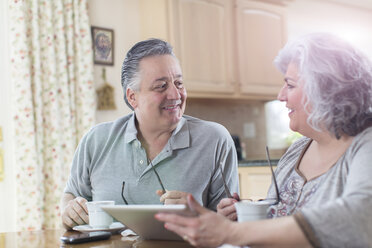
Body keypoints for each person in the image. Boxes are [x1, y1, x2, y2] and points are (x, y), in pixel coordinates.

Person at [155, 33, 372, 247]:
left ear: (326, 91)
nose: (280, 95)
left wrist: (233, 232)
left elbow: (359, 218)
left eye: (290, 84)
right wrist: (239, 217)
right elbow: (280, 221)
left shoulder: (366, 144)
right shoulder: (298, 149)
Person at [60, 38, 239, 230]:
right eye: (161, 86)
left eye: (178, 83)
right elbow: (72, 194)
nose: (176, 95)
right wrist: (69, 211)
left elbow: (228, 225)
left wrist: (201, 215)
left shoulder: (215, 139)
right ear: (132, 97)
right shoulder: (96, 139)